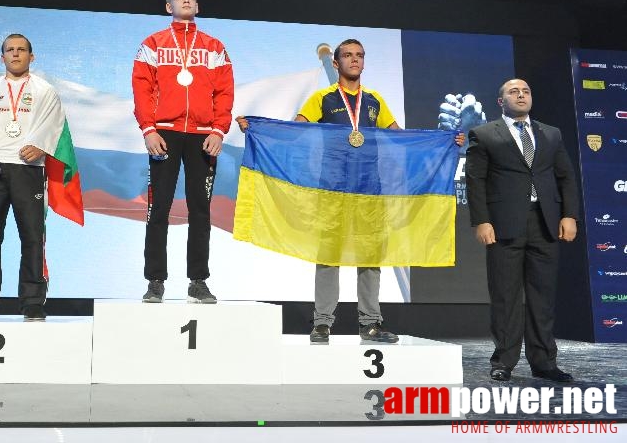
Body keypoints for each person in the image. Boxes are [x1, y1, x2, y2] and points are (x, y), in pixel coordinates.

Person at [238, 39, 464, 344]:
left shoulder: (375, 101)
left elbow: (400, 138)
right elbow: (296, 130)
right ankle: (322, 323)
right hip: (331, 186)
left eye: (359, 56)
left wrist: (444, 142)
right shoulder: (323, 98)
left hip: (370, 187)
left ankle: (370, 323)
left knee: (370, 255)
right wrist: (257, 128)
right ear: (336, 63)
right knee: (328, 256)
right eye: (347, 55)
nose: (354, 60)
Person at [465, 79, 578, 382]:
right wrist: (481, 220)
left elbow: (565, 177)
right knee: (506, 296)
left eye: (526, 91)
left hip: (545, 223)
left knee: (543, 297)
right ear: (501, 101)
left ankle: (544, 363)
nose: (521, 95)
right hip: (503, 225)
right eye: (514, 92)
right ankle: (504, 360)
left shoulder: (550, 134)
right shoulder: (485, 134)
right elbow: (475, 181)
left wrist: (569, 215)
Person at [132, 0, 234, 303]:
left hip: (203, 135)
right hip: (164, 132)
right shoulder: (153, 44)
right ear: (168, 7)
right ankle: (155, 281)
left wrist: (218, 131)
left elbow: (224, 92)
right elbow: (142, 88)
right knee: (158, 208)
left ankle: (198, 280)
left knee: (200, 209)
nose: (186, 0)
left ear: (197, 6)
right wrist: (148, 129)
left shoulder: (214, 47)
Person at [0, 33, 67, 322]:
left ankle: (32, 301)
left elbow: (53, 124)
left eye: (21, 50)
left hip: (28, 169)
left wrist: (41, 145)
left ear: (32, 56)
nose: (15, 54)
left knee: (32, 237)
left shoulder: (45, 91)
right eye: (10, 50)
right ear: (2, 56)